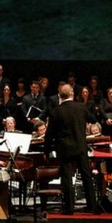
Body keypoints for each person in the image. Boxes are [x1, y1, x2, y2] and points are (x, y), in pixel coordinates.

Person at [44, 83, 100, 215]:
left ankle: (69, 209)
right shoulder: (81, 107)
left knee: (67, 178)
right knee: (86, 176)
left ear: (60, 96)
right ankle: (92, 206)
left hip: (65, 149)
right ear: (72, 94)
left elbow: (49, 134)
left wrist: (46, 151)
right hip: (81, 147)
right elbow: (93, 119)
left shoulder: (56, 111)